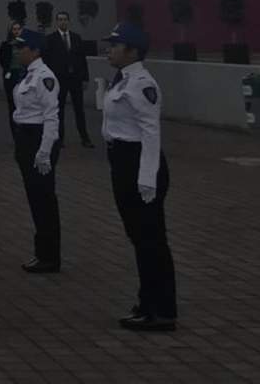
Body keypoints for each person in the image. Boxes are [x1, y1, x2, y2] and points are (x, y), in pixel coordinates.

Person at [101, 22, 178, 332]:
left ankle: (161, 310)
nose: (109, 49)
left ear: (132, 51)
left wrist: (147, 178)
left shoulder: (142, 83)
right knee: (140, 238)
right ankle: (148, 302)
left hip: (139, 164)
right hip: (121, 161)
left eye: (115, 45)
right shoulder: (122, 80)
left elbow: (150, 133)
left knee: (151, 240)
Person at [10, 28, 62, 272]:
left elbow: (52, 117)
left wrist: (44, 151)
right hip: (25, 140)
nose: (18, 51)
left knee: (44, 200)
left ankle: (50, 256)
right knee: (35, 199)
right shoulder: (27, 75)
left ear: (35, 50)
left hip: (39, 139)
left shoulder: (44, 77)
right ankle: (42, 252)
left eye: (22, 47)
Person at [43, 11, 93, 148]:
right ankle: (60, 139)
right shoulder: (51, 39)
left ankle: (85, 138)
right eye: (60, 19)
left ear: (69, 21)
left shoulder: (76, 38)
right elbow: (46, 60)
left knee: (79, 109)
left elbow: (82, 59)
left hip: (76, 79)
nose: (63, 22)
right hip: (60, 80)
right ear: (56, 22)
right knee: (59, 110)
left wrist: (85, 78)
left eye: (65, 19)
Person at [0, 21, 24, 107]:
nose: (16, 31)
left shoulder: (26, 44)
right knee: (12, 101)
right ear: (11, 31)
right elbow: (2, 60)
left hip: (22, 74)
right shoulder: (5, 45)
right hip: (10, 74)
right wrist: (8, 71)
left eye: (18, 29)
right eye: (14, 29)